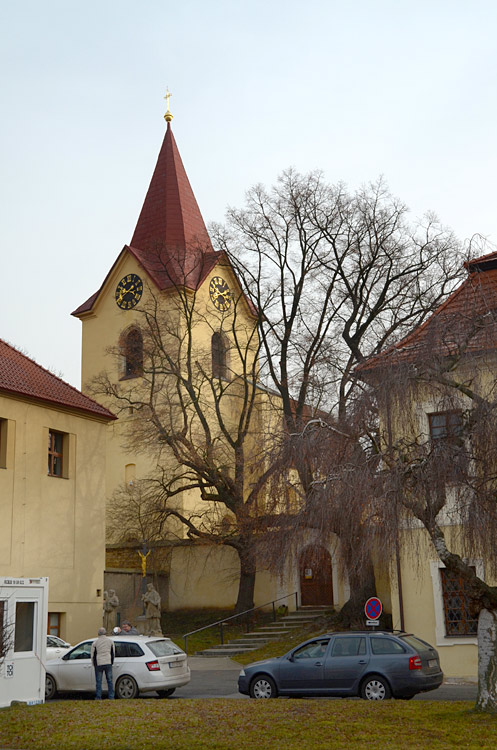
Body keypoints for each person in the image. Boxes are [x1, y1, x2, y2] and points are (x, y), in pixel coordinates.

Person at [91, 627, 115, 699]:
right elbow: (113, 653)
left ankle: (98, 696)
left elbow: (92, 655)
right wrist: (111, 662)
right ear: (105, 633)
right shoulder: (110, 641)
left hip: (99, 663)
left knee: (98, 681)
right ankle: (111, 696)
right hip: (108, 662)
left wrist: (93, 664)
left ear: (98, 634)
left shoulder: (95, 642)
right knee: (110, 681)